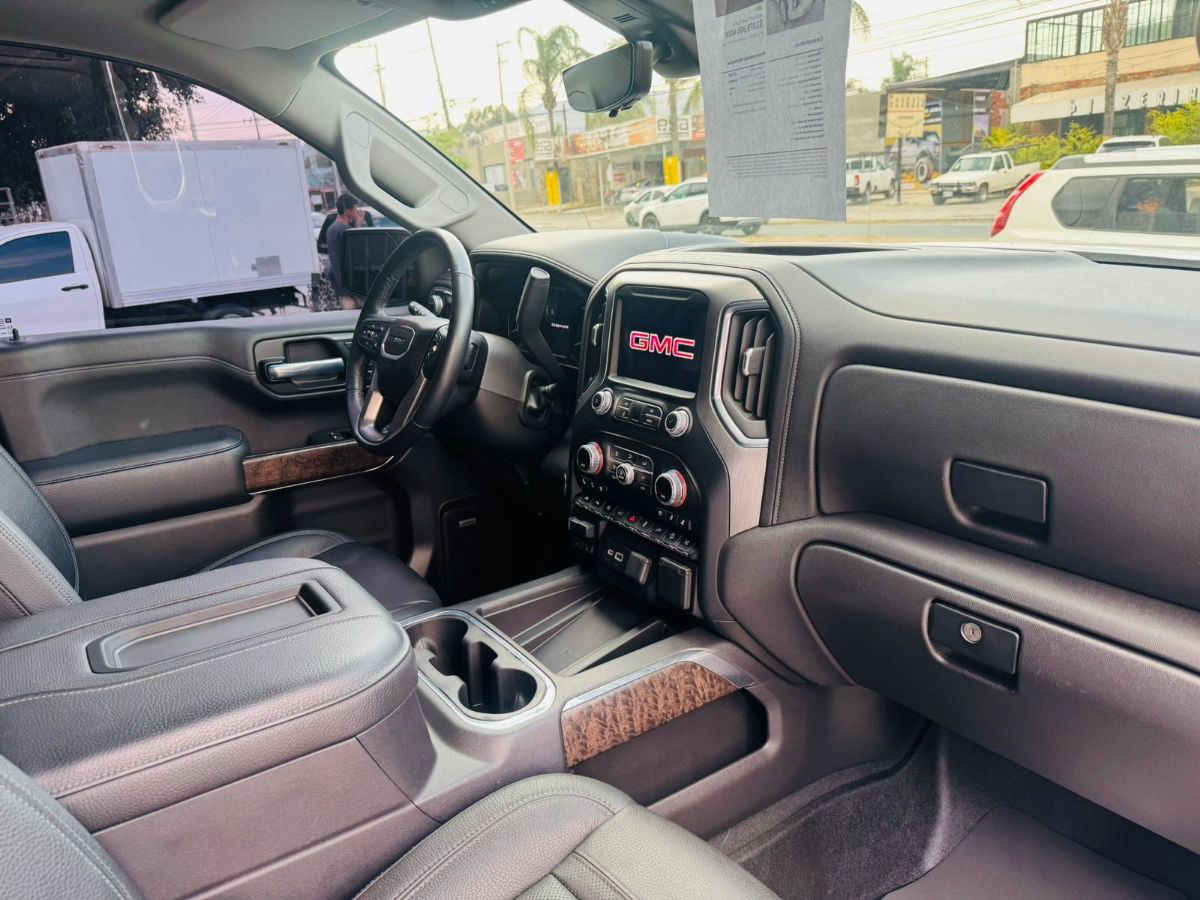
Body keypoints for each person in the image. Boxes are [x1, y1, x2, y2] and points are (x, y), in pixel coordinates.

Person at [326, 193, 363, 309]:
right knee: (353, 312)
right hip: (349, 282)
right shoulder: (345, 230)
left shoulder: (332, 228)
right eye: (355, 209)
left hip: (340, 281)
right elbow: (358, 249)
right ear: (347, 211)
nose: (357, 212)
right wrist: (358, 225)